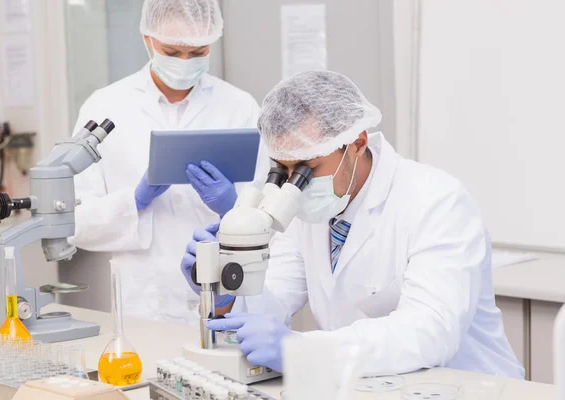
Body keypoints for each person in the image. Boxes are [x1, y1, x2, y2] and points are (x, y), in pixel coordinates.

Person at [181, 71, 525, 378]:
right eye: (281, 169)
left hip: (466, 384)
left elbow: (430, 331)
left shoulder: (437, 201)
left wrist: (302, 351)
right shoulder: (304, 211)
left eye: (306, 168)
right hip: (371, 385)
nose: (291, 184)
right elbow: (274, 302)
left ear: (357, 143)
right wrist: (227, 291)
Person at [71, 0, 269, 324]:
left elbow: (268, 216)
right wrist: (133, 202)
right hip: (142, 306)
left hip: (221, 298)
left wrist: (233, 208)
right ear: (148, 39)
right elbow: (74, 222)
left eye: (198, 52)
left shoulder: (240, 107)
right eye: (173, 52)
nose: (185, 62)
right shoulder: (105, 106)